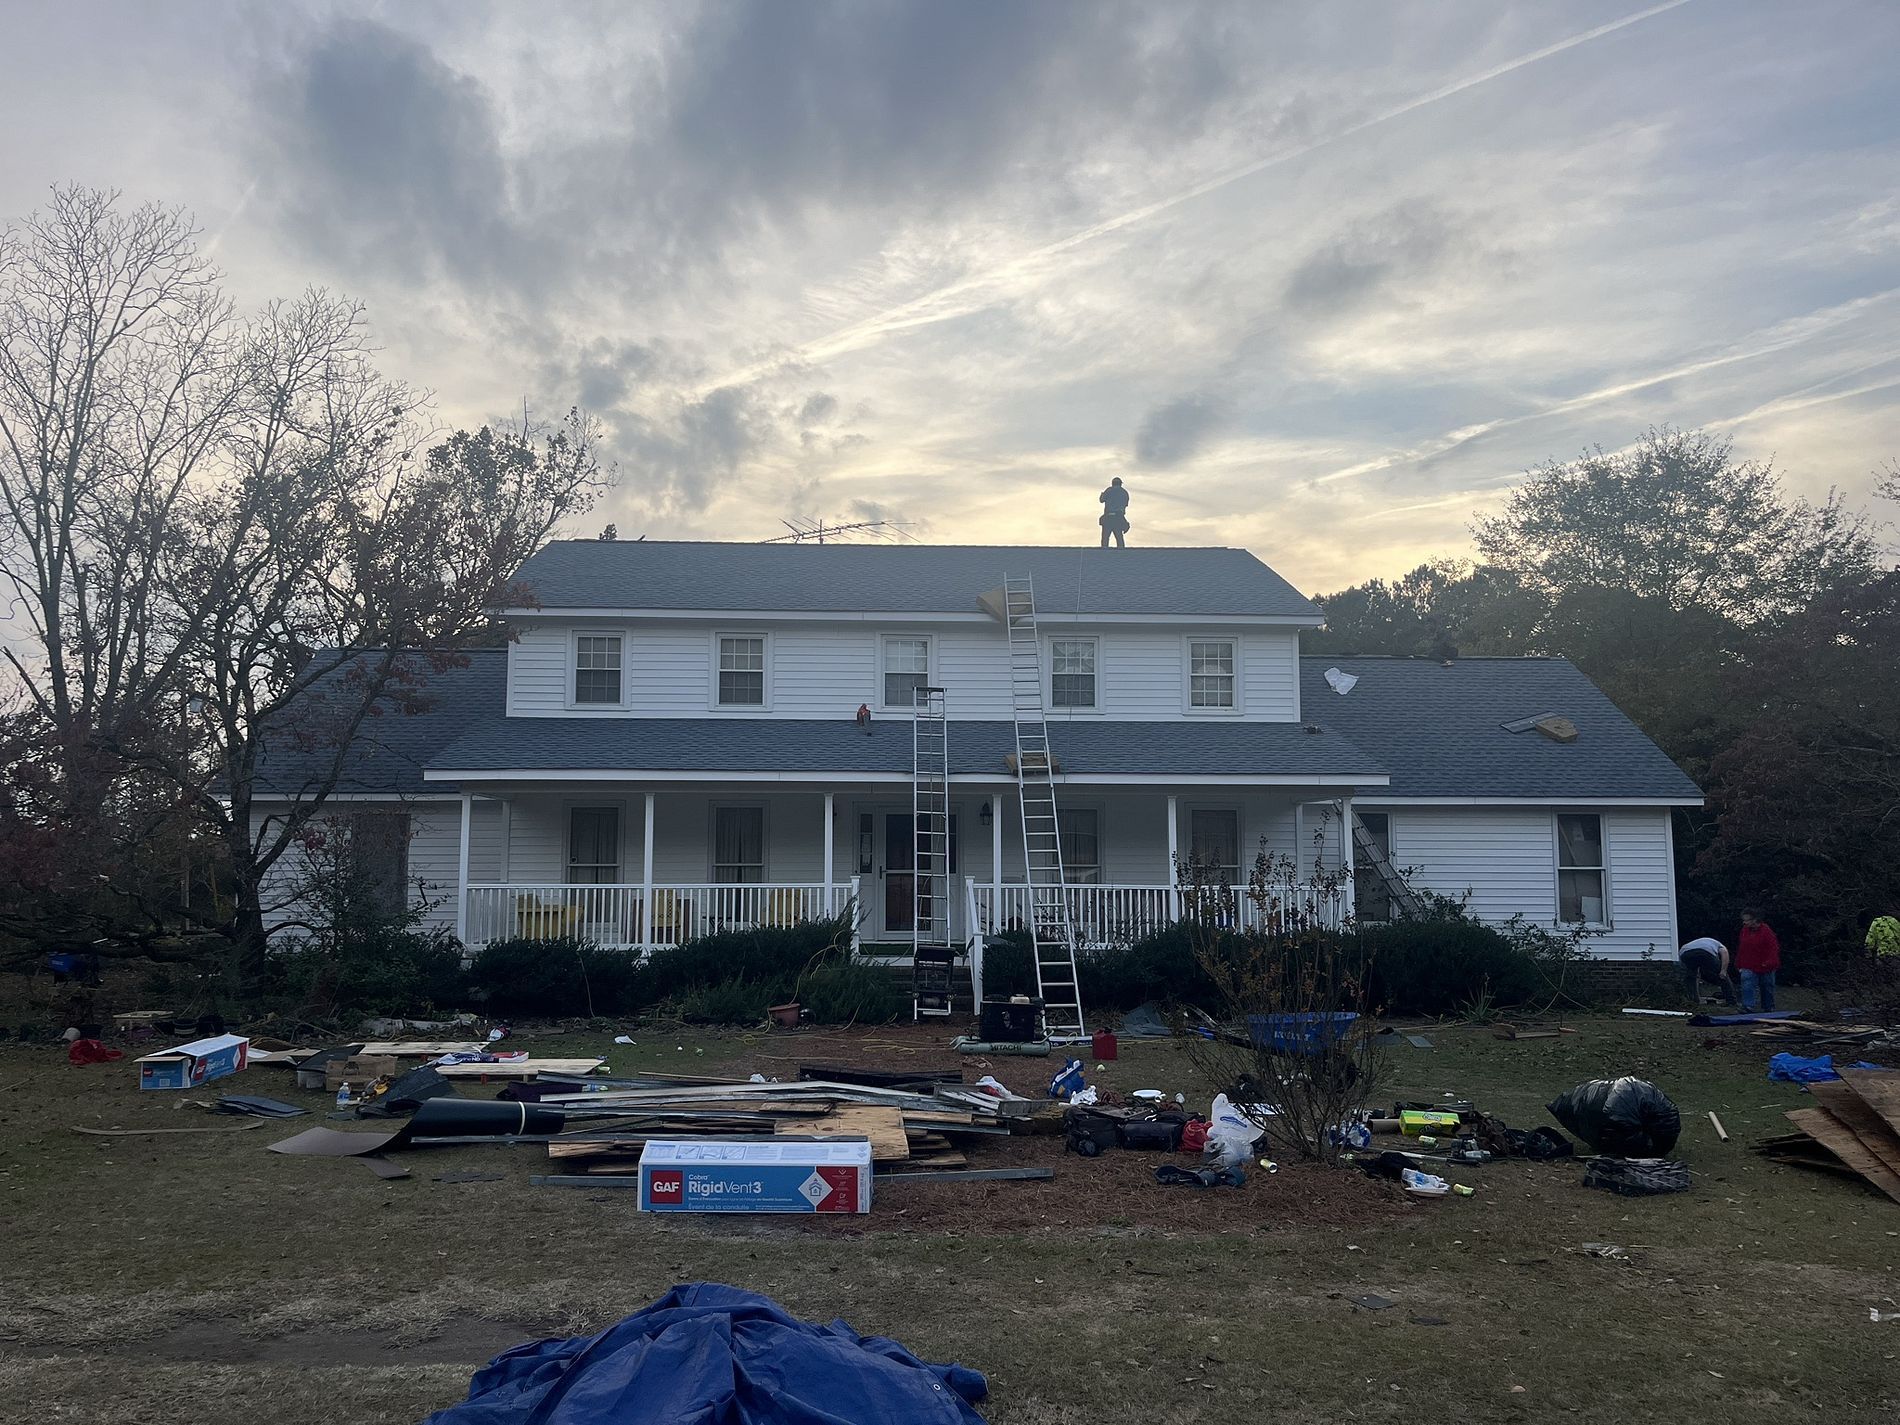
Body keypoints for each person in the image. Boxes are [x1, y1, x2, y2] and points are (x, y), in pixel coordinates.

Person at [1735, 908, 1782, 1012]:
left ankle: (1768, 1006)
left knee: (1767, 985)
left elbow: (1773, 947)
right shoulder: (1744, 931)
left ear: (1755, 920)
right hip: (1748, 964)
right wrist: (1739, 963)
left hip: (1765, 964)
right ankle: (1748, 1006)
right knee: (1747, 982)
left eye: (1746, 920)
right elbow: (1742, 947)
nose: (1744, 922)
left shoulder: (1766, 931)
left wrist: (1769, 962)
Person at [1676, 935, 1736, 1006]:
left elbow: (1680, 964)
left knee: (1691, 978)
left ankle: (1693, 1001)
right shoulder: (1719, 945)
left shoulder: (1690, 944)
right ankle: (1731, 1002)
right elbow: (1725, 954)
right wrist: (1723, 971)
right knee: (1723, 976)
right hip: (1705, 953)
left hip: (1685, 954)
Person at [1098, 478, 1130, 548]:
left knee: (1105, 539)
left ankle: (1104, 554)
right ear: (1120, 484)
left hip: (1108, 517)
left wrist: (1102, 495)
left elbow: (1101, 500)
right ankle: (1121, 555)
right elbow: (1125, 505)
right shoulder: (1124, 492)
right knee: (1119, 538)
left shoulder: (1108, 490)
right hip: (1118, 518)